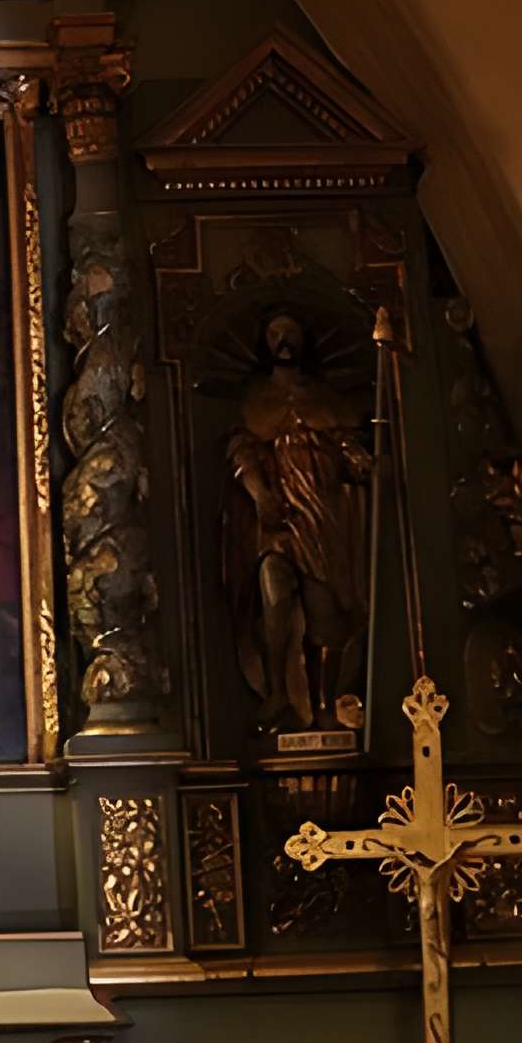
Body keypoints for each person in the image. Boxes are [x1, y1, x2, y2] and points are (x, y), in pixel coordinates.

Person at [222, 309, 373, 734]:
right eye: (274, 332)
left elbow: (347, 446)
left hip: (321, 517)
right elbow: (242, 452)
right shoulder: (255, 399)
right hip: (275, 518)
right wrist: (260, 494)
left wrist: (359, 459)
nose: (283, 339)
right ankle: (275, 694)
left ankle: (323, 706)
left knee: (324, 612)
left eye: (291, 331)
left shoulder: (325, 398)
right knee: (276, 601)